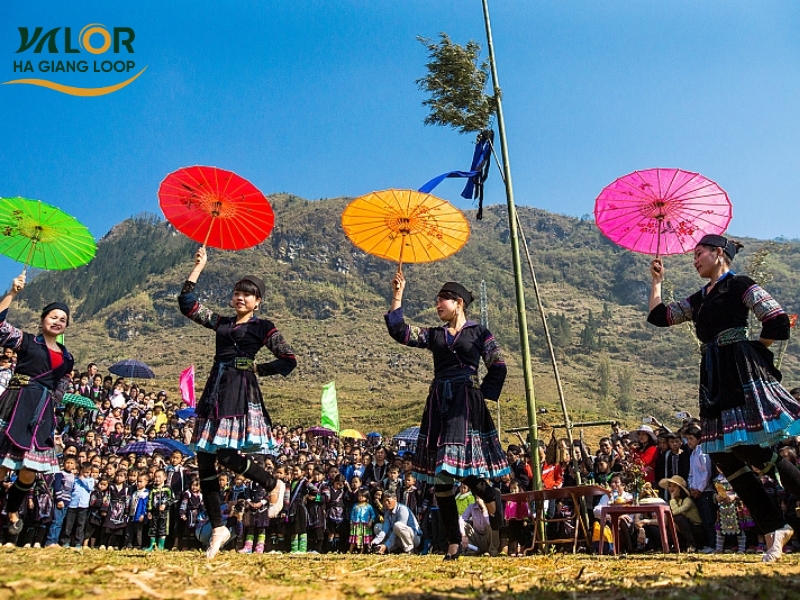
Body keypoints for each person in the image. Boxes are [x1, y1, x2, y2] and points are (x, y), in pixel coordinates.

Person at [648, 234, 800, 562]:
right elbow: (660, 317)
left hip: (739, 371)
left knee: (748, 450)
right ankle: (776, 527)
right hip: (712, 377)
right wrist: (657, 282)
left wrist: (753, 349)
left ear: (719, 254)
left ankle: (778, 525)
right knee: (721, 454)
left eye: (699, 253)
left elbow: (776, 319)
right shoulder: (700, 298)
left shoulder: (739, 283)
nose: (695, 259)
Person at [178, 246, 297, 558]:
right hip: (214, 387)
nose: (240, 298)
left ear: (257, 302)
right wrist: (198, 268)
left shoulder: (262, 327)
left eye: (248, 294)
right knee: (204, 456)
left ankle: (272, 483)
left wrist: (258, 368)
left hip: (239, 389)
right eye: (237, 293)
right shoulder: (221, 323)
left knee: (225, 453)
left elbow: (289, 359)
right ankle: (218, 527)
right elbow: (187, 305)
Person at [385, 274, 509, 560]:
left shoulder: (480, 333)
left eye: (442, 299)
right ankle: (454, 542)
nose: (437, 304)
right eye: (437, 300)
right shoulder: (435, 335)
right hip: (440, 403)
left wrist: (481, 396)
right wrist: (398, 294)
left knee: (470, 477)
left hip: (466, 404)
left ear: (459, 303)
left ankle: (499, 525)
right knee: (442, 476)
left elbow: (498, 365)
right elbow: (400, 332)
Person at [0, 274, 74, 538]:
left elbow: (61, 388)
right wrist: (12, 293)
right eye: (53, 316)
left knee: (30, 471)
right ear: (43, 319)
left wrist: (55, 413)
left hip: (42, 413)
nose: (57, 321)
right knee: (3, 466)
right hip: (16, 403)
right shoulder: (27, 341)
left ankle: (12, 511)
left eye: (63, 319)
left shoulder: (68, 358)